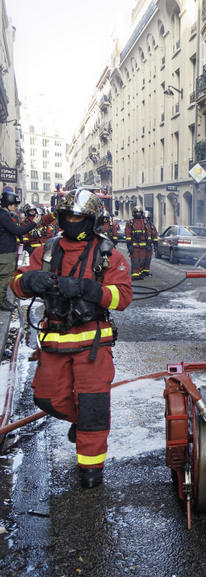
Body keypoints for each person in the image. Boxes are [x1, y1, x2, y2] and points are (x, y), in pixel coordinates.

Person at [11, 189, 132, 489]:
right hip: (55, 341)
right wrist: (28, 280)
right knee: (46, 397)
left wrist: (91, 290)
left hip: (93, 344)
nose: (72, 220)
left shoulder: (108, 254)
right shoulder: (47, 250)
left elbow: (123, 296)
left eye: (78, 216)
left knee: (93, 407)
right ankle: (80, 423)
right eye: (67, 215)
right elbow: (17, 283)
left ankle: (91, 470)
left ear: (91, 220)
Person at [0, 187, 38, 311]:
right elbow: (18, 231)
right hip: (5, 253)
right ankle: (1, 301)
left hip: (6, 251)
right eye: (14, 204)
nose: (16, 207)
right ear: (8, 204)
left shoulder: (5, 215)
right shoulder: (3, 216)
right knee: (5, 277)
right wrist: (34, 223)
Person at [125, 207, 148, 280]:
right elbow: (128, 234)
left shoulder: (144, 222)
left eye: (139, 213)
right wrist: (129, 245)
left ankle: (140, 274)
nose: (138, 214)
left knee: (142, 260)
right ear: (134, 213)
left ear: (141, 213)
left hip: (143, 246)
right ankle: (135, 275)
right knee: (135, 261)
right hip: (134, 246)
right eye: (137, 213)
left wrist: (149, 244)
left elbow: (148, 233)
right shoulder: (130, 222)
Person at [142, 209, 158, 278]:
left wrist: (155, 244)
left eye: (147, 218)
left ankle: (146, 271)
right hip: (142, 246)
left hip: (149, 246)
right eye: (145, 218)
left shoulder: (151, 225)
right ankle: (141, 272)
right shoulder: (140, 225)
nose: (146, 219)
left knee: (148, 259)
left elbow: (155, 234)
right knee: (141, 260)